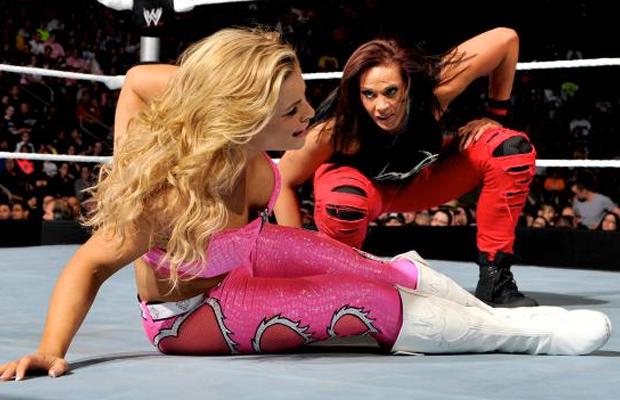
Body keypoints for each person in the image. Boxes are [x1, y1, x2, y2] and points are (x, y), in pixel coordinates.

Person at [0, 28, 611, 381]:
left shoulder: (252, 158)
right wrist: (52, 350)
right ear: (244, 116)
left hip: (240, 259)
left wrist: (306, 258)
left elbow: (142, 81)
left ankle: (501, 318)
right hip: (192, 315)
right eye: (292, 108)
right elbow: (88, 265)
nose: (308, 115)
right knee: (363, 299)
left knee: (376, 267)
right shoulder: (172, 198)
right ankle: (520, 337)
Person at [274, 27, 538, 308]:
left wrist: (495, 116)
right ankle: (340, 285)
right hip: (361, 188)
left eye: (390, 92)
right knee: (344, 202)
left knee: (509, 150)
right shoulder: (337, 131)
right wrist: (298, 263)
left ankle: (495, 282)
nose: (381, 106)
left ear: (408, 86)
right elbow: (283, 180)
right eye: (369, 94)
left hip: (420, 180)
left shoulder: (435, 93)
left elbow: (506, 39)